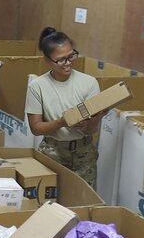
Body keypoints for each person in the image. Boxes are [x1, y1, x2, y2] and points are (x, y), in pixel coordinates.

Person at [25, 27, 104, 188]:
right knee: (50, 201)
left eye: (71, 56)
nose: (68, 63)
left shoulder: (89, 83)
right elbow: (36, 128)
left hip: (84, 153)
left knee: (83, 202)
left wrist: (90, 121)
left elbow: (92, 129)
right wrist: (62, 122)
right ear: (47, 60)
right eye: (61, 60)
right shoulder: (37, 86)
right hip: (52, 152)